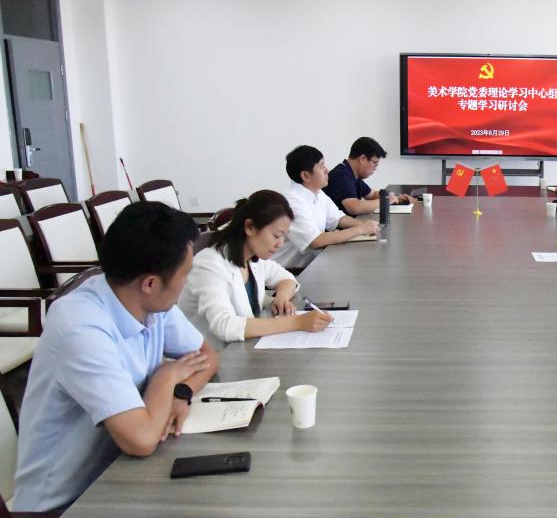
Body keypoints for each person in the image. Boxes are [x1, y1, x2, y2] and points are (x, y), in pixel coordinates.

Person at [11, 202, 220, 512]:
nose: (186, 283)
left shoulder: (148, 301)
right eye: (185, 275)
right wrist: (166, 379)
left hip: (121, 473)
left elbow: (206, 357)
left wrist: (181, 392)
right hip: (65, 503)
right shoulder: (80, 327)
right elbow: (141, 440)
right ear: (150, 283)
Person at [178, 190, 333, 343]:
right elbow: (225, 326)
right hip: (212, 354)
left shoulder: (253, 257)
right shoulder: (209, 265)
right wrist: (297, 322)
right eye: (276, 236)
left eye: (283, 236)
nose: (280, 244)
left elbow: (287, 279)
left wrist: (281, 298)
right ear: (250, 227)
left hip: (243, 348)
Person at [273, 145, 380, 269]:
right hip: (291, 271)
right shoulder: (292, 202)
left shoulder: (318, 192)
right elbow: (316, 241)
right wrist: (360, 230)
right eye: (321, 166)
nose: (327, 170)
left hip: (312, 264)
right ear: (306, 175)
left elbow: (338, 219)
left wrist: (364, 224)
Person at [324, 137, 414, 216]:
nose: (375, 168)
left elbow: (372, 194)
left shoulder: (353, 174)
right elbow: (354, 207)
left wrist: (396, 198)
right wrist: (386, 201)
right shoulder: (342, 175)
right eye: (375, 163)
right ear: (362, 159)